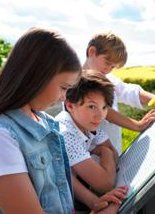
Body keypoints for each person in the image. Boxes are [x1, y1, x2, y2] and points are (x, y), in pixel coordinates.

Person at [0, 27, 127, 214]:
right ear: (37, 76)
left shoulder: (47, 122)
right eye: (64, 88)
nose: (64, 99)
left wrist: (94, 203)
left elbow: (58, 180)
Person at [83, 32, 155, 155]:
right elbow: (105, 112)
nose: (108, 69)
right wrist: (137, 125)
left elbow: (128, 91)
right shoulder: (80, 82)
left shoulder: (108, 78)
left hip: (111, 149)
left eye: (113, 67)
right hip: (88, 155)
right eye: (107, 63)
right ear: (92, 52)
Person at [56, 70, 121, 213]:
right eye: (92, 106)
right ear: (70, 106)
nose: (100, 116)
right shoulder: (65, 132)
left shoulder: (87, 122)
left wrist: (106, 152)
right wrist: (104, 151)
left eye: (104, 107)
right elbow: (105, 184)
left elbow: (114, 153)